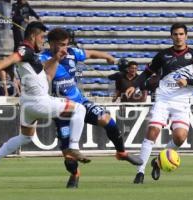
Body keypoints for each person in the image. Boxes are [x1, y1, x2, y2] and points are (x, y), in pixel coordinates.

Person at [0, 21, 91, 182]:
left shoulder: (31, 55)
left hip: (27, 105)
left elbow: (41, 67)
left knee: (25, 137)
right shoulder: (25, 49)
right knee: (80, 109)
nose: (43, 40)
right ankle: (73, 147)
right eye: (41, 37)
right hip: (40, 101)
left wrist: (55, 58)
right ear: (33, 36)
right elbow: (14, 56)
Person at [39, 28, 143, 188]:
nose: (64, 49)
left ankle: (121, 152)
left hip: (80, 102)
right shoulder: (43, 58)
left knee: (107, 119)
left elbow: (91, 53)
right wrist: (56, 58)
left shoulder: (72, 53)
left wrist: (109, 58)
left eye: (66, 45)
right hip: (61, 110)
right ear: (51, 44)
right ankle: (75, 174)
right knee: (68, 155)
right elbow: (43, 71)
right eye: (61, 45)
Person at [125, 23, 193, 184]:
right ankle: (140, 172)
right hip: (163, 99)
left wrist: (188, 81)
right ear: (171, 36)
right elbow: (146, 74)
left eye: (181, 34)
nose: (178, 37)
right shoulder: (162, 55)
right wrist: (134, 85)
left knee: (180, 137)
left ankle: (158, 160)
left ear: (186, 36)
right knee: (153, 131)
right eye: (175, 34)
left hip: (182, 101)